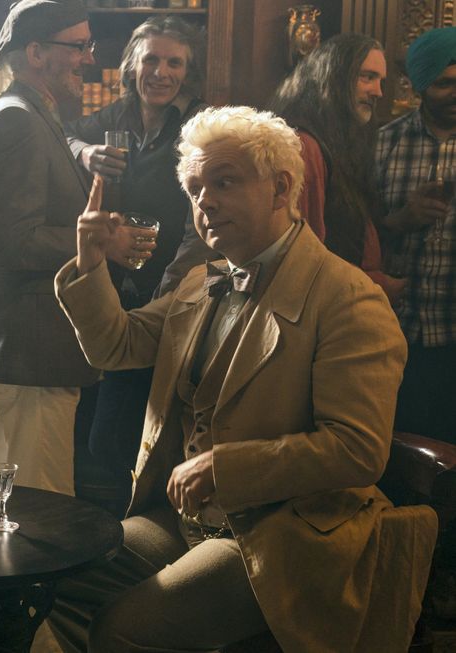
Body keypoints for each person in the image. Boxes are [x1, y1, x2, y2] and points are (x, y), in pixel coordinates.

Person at [48, 106, 435, 652]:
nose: (204, 201)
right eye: (194, 189)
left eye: (224, 182)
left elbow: (357, 449)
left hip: (286, 536)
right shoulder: (198, 281)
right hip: (187, 522)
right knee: (55, 580)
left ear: (281, 188)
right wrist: (90, 264)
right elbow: (118, 345)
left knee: (124, 629)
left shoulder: (348, 298)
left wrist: (223, 466)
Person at [0, 0, 151, 496]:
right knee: (37, 508)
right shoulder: (17, 121)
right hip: (31, 351)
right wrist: (101, 241)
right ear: (36, 53)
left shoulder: (29, 114)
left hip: (30, 352)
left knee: (9, 501)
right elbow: (12, 242)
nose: (90, 58)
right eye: (79, 46)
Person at [64, 16, 211, 483]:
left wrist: (169, 294)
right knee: (107, 438)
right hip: (118, 292)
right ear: (132, 65)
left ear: (188, 71)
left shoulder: (198, 126)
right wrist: (84, 152)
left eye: (174, 63)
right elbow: (60, 133)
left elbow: (200, 226)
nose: (161, 72)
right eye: (151, 60)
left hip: (174, 298)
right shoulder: (117, 116)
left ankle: (140, 520)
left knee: (142, 435)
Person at [269, 33, 405, 302]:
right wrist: (375, 284)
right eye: (367, 77)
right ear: (333, 77)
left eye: (380, 80)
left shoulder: (336, 140)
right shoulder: (305, 145)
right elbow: (303, 256)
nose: (378, 92)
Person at [377, 27, 456, 444]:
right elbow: (355, 236)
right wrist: (401, 220)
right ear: (420, 87)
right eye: (444, 84)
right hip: (399, 333)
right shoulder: (384, 143)